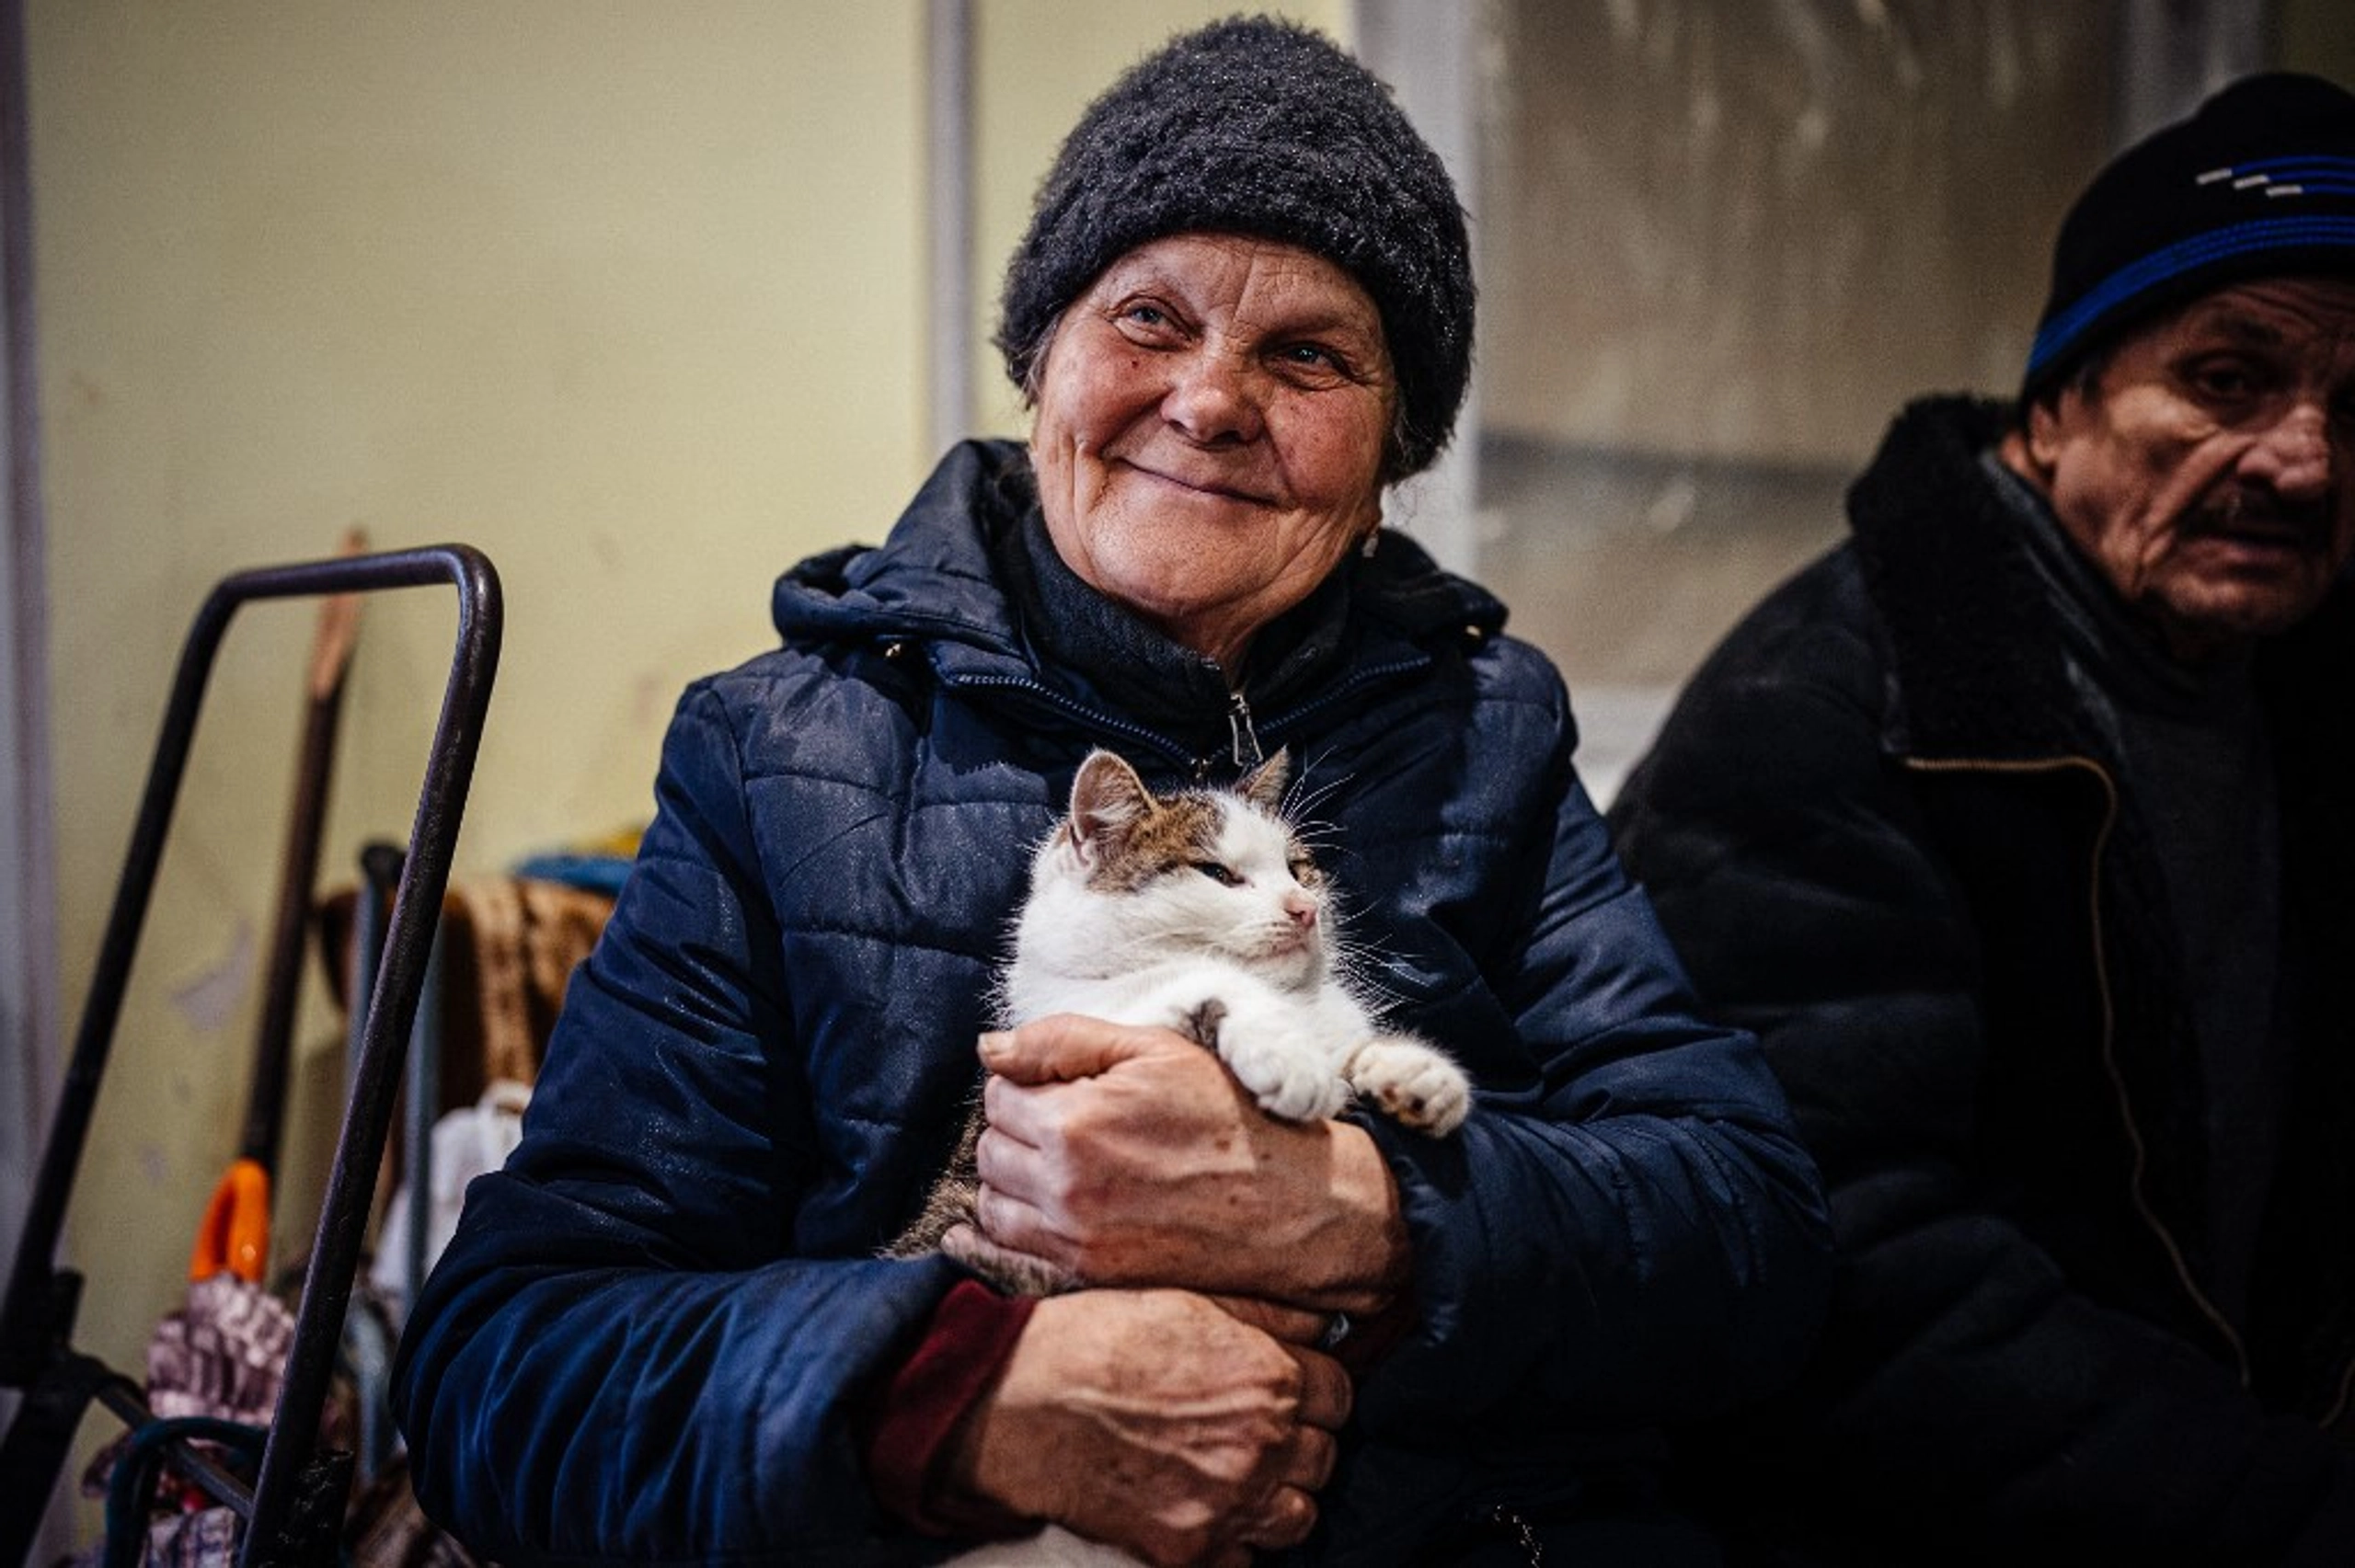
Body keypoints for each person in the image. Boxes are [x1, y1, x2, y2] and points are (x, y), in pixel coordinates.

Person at [390, 17, 1831, 1566]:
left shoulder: (1491, 731)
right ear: (1045, 359)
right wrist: (965, 1403)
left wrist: (1365, 1213)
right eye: (1150, 317)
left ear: (1391, 457)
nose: (1211, 400)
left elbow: (1751, 1241)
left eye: (1309, 355)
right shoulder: (782, 757)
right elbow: (500, 1370)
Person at [1608, 71, 2355, 1565]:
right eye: (2225, 380)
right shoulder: (1827, 714)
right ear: (2063, 396)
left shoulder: (2295, 676)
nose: (2303, 458)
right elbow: (1841, 1273)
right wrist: (2289, 1512)